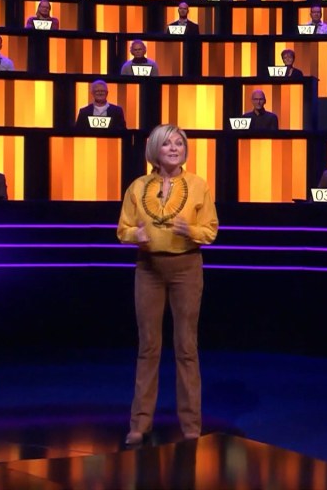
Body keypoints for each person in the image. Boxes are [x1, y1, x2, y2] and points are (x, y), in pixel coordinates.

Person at [117, 124, 219, 445]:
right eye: (167, 144)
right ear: (155, 151)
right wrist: (136, 235)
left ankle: (191, 426)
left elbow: (211, 230)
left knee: (186, 346)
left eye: (179, 143)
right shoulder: (137, 187)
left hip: (186, 268)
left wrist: (191, 231)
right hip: (148, 269)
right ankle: (139, 424)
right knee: (148, 346)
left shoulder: (198, 185)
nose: (174, 148)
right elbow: (122, 229)